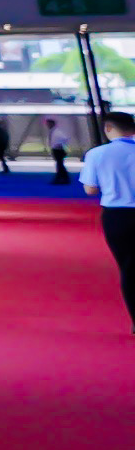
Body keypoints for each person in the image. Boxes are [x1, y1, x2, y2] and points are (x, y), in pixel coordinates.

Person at [88, 115, 135, 337]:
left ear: (108, 128)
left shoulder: (97, 154)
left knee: (128, 267)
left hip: (117, 215)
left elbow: (90, 189)